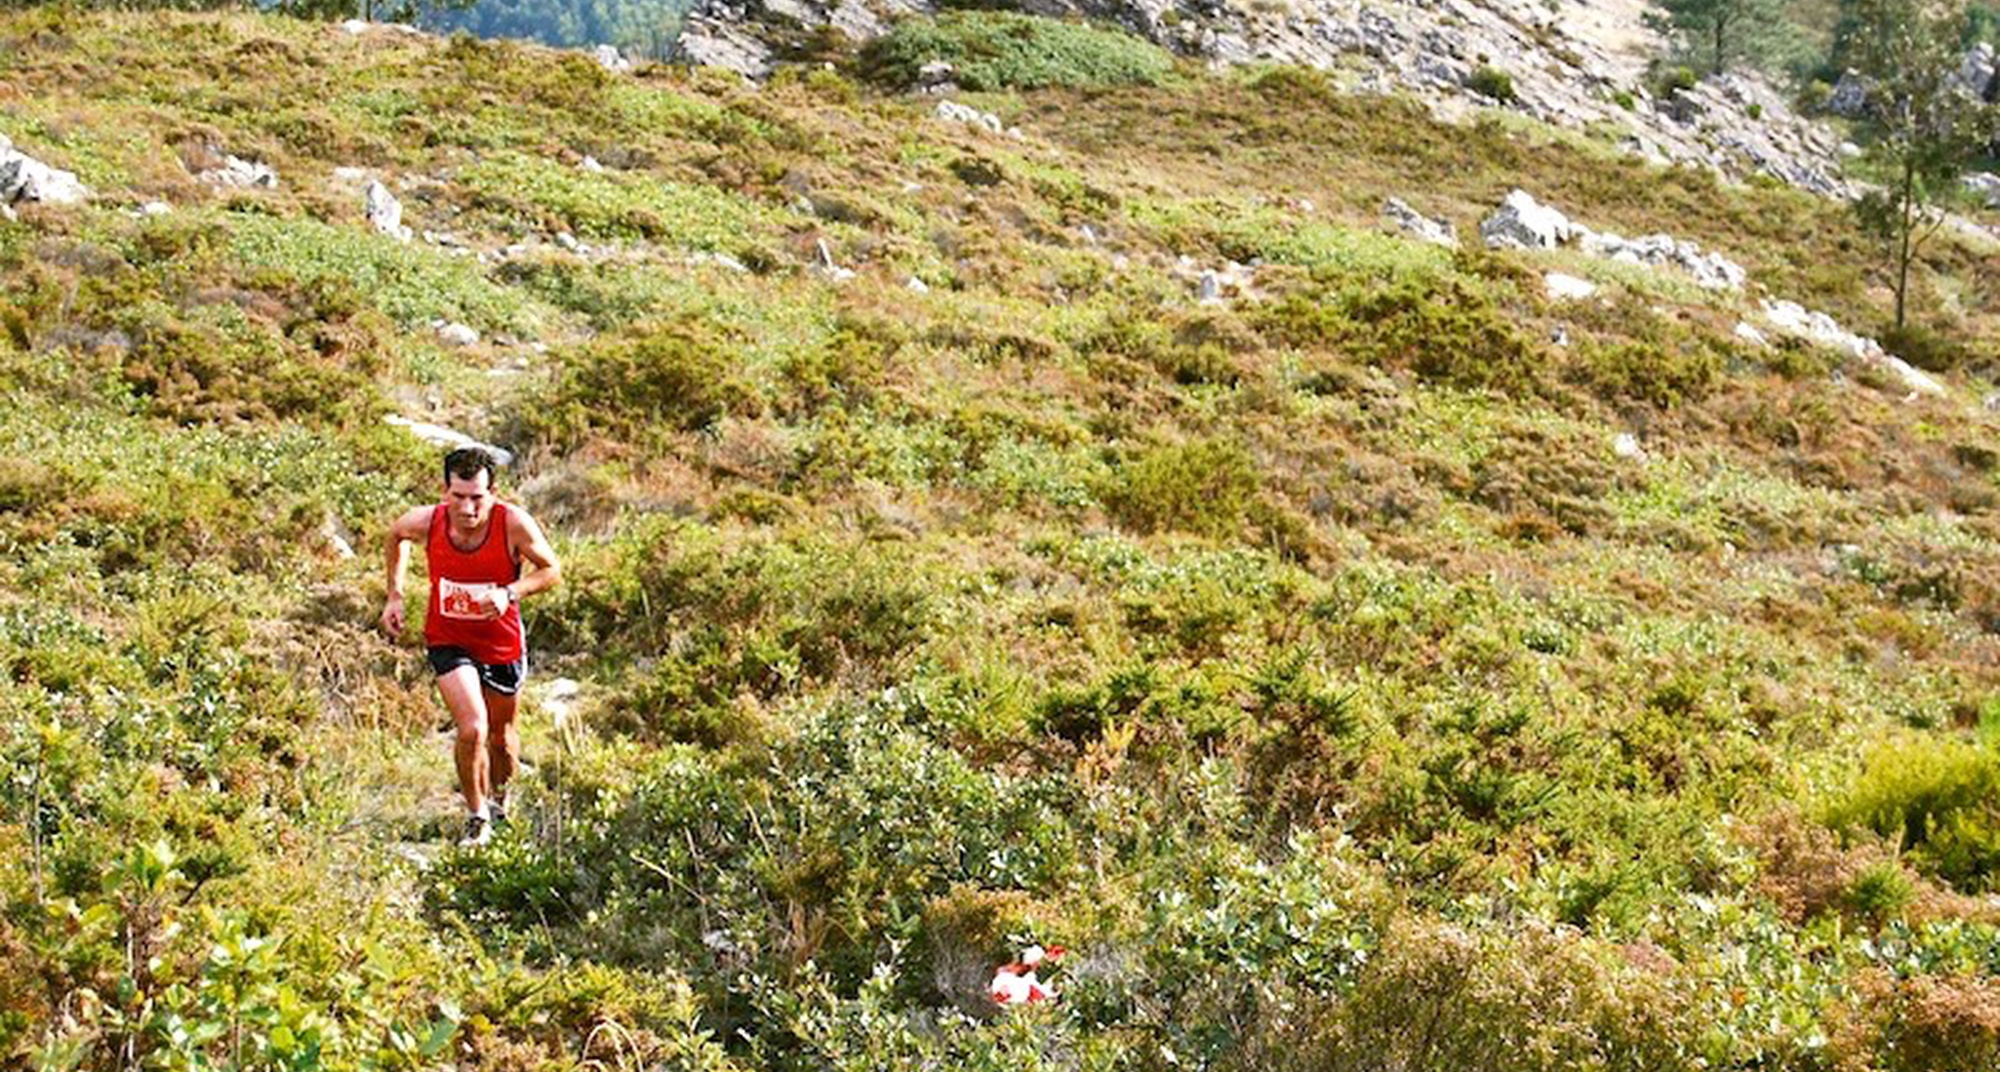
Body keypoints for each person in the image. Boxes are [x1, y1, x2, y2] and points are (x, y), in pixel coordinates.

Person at [381, 446, 561, 847]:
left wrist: (509, 593)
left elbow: (551, 570)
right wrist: (395, 595)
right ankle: (476, 815)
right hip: (449, 639)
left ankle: (500, 801)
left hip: (501, 643)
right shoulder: (428, 521)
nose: (467, 508)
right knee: (472, 728)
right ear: (445, 491)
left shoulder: (513, 523)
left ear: (493, 492)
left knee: (500, 737)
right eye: (458, 496)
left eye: (477, 497)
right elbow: (396, 535)